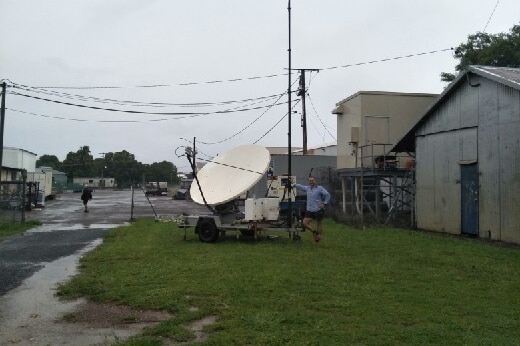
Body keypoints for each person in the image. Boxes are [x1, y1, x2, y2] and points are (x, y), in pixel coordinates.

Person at [293, 176, 330, 243]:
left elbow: (327, 195)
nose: (311, 182)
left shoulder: (320, 188)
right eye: (310, 181)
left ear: (315, 181)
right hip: (309, 210)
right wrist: (294, 185)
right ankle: (315, 232)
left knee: (319, 223)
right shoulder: (307, 188)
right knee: (304, 223)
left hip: (318, 209)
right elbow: (301, 187)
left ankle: (316, 240)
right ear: (308, 182)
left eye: (312, 180)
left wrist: (324, 203)